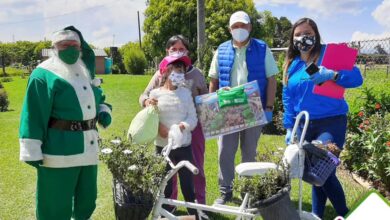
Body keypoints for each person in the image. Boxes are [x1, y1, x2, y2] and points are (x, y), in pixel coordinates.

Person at [19, 26, 112, 219]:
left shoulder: (84, 70)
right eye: (64, 45)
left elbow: (97, 97)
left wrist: (103, 110)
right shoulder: (43, 74)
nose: (70, 48)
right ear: (55, 47)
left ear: (81, 47)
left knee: (87, 201)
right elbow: (33, 112)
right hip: (58, 152)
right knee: (54, 205)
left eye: (74, 45)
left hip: (88, 148)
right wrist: (32, 148)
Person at [282, 17, 363, 218]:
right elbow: (288, 97)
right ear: (292, 39)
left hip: (331, 122)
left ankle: (345, 213)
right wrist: (289, 126)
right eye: (298, 34)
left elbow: (357, 79)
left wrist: (333, 75)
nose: (303, 38)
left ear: (316, 35)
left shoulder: (331, 53)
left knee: (322, 169)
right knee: (315, 174)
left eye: (308, 33)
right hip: (305, 125)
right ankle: (317, 215)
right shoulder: (293, 64)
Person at [208, 11, 279, 204]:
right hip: (227, 107)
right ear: (230, 29)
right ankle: (225, 191)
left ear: (250, 28)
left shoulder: (262, 48)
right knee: (225, 151)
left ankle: (247, 191)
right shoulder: (221, 49)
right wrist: (212, 105)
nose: (240, 30)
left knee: (249, 151)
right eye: (235, 26)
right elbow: (213, 80)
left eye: (243, 26)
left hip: (253, 107)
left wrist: (269, 107)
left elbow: (272, 79)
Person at [139, 35, 208, 205]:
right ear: (167, 52)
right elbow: (144, 95)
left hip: (192, 129)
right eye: (173, 49)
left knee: (194, 167)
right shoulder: (160, 74)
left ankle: (199, 205)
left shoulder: (196, 74)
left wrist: (218, 98)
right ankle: (171, 205)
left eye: (181, 49)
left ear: (187, 51)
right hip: (164, 132)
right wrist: (147, 102)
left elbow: (206, 99)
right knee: (168, 172)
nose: (177, 52)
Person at [150, 55, 198, 218]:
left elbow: (193, 117)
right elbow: (150, 117)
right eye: (176, 72)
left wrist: (183, 126)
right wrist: (158, 127)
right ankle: (164, 214)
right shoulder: (155, 95)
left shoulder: (185, 94)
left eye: (182, 72)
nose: (180, 76)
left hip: (184, 146)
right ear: (166, 73)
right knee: (165, 185)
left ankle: (194, 213)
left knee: (188, 185)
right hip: (163, 147)